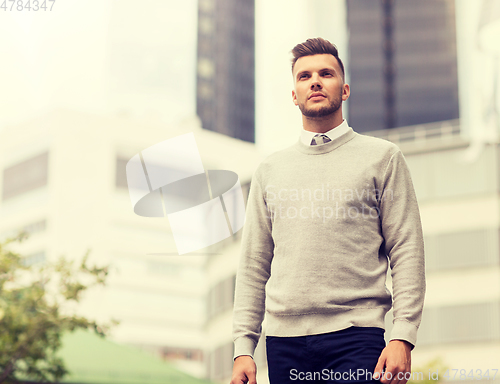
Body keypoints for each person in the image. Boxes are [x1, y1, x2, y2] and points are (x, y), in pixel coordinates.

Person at [230, 37, 426, 384]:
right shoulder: (270, 170)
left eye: (326, 73)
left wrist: (402, 334)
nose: (315, 81)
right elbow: (253, 264)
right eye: (304, 76)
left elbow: (407, 249)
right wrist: (244, 346)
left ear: (345, 88)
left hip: (357, 338)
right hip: (283, 345)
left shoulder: (382, 157)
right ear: (294, 95)